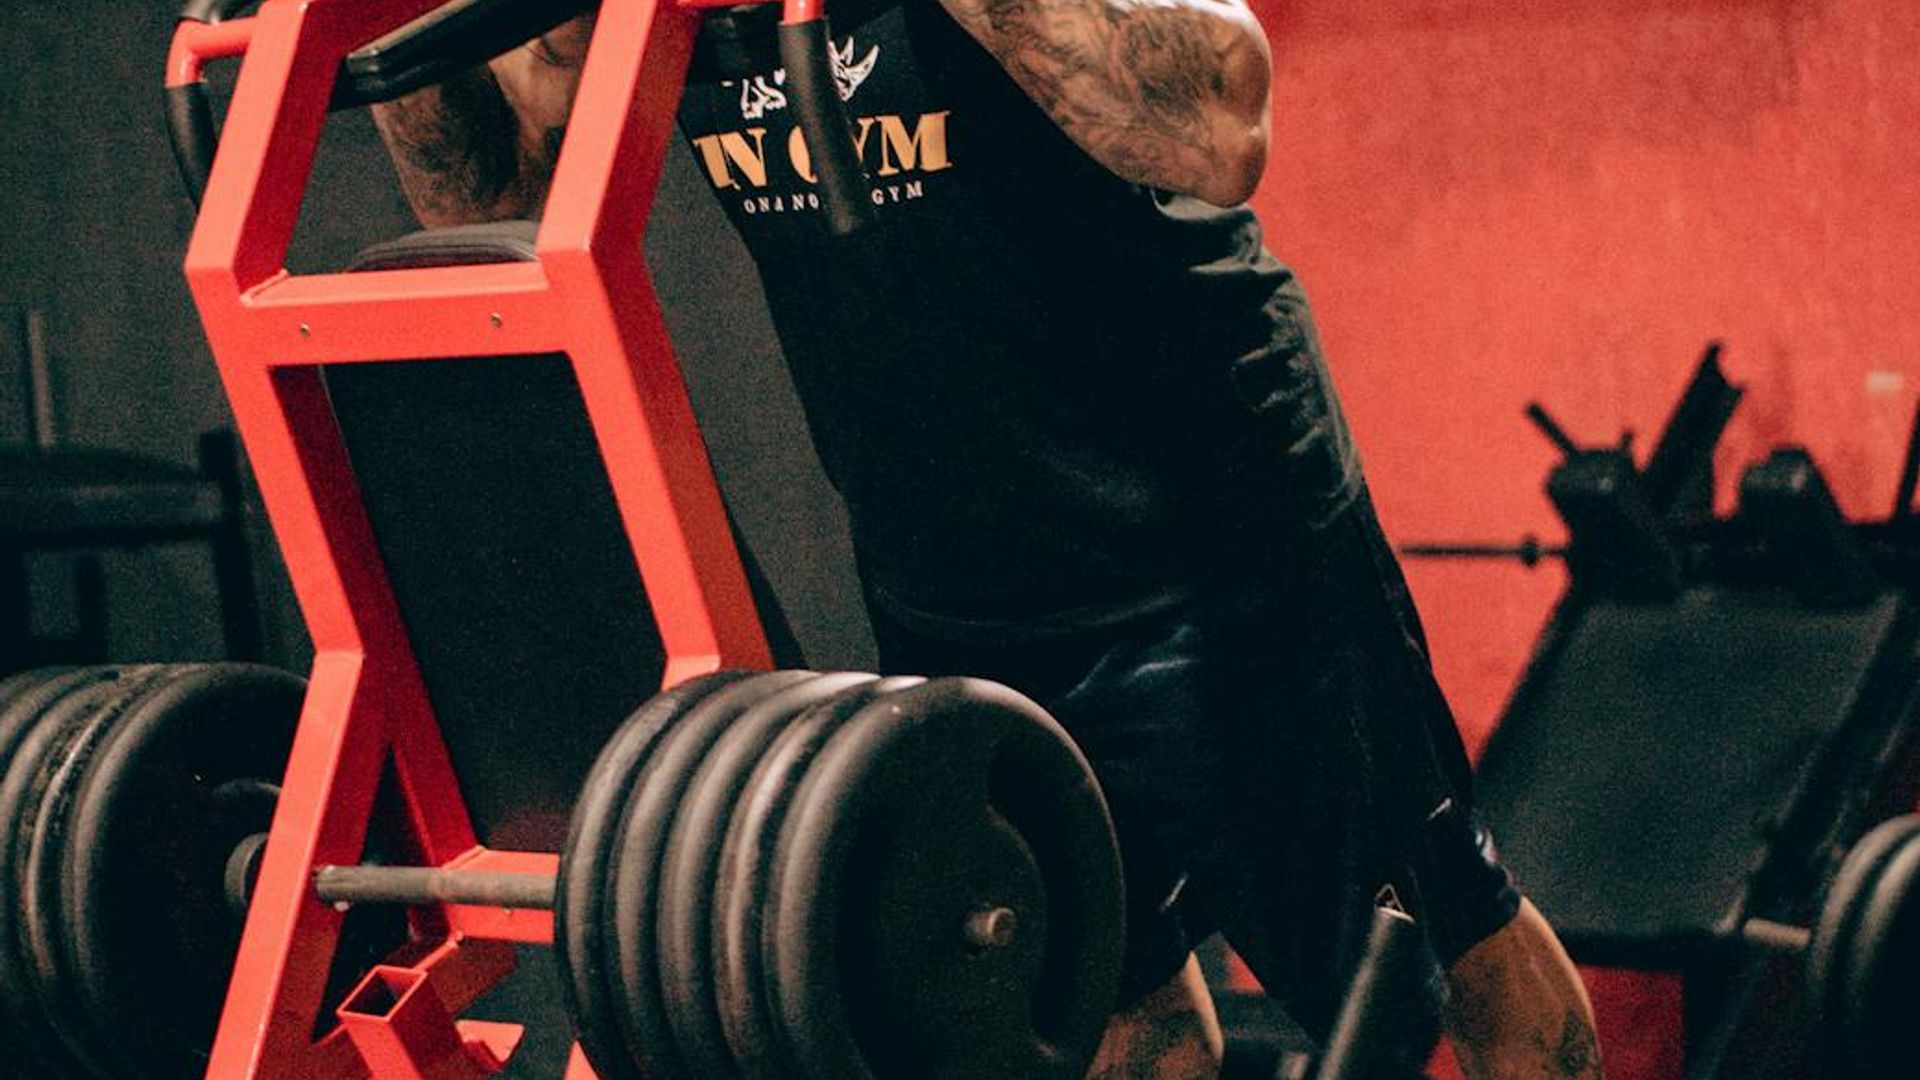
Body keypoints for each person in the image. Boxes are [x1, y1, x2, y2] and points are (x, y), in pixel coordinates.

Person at [373, 3, 1603, 1078]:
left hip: (1213, 532)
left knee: (1444, 939)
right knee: (1100, 997)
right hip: (949, 566)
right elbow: (487, 202)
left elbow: (1220, 131)